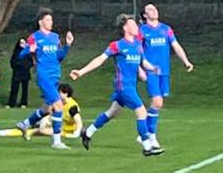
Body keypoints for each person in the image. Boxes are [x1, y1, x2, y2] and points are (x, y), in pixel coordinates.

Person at [70, 14, 164, 156]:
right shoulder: (117, 45)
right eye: (133, 24)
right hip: (123, 86)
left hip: (131, 85)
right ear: (125, 28)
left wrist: (153, 68)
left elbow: (143, 62)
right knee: (141, 111)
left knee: (112, 113)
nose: (136, 27)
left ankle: (87, 133)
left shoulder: (138, 45)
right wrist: (81, 72)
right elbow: (100, 59)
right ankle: (147, 147)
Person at [16, 9, 74, 149]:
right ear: (40, 22)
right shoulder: (34, 37)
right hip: (44, 75)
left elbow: (59, 57)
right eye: (48, 20)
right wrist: (29, 50)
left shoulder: (55, 37)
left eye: (51, 20)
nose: (51, 22)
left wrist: (67, 45)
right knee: (58, 106)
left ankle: (25, 124)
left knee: (48, 108)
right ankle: (56, 142)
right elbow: (21, 55)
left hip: (55, 74)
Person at [138, 3, 194, 149]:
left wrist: (186, 61)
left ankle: (144, 132)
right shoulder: (142, 31)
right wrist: (140, 69)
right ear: (145, 15)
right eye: (150, 9)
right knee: (157, 102)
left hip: (164, 71)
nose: (154, 11)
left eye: (155, 8)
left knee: (158, 104)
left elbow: (176, 45)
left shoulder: (166, 29)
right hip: (151, 71)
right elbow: (137, 50)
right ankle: (151, 136)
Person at [0, 83, 82, 139]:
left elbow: (78, 120)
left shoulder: (71, 106)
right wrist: (45, 120)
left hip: (68, 130)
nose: (57, 94)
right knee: (40, 129)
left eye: (59, 92)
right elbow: (50, 112)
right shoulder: (58, 103)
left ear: (66, 94)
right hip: (62, 128)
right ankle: (23, 131)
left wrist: (76, 132)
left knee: (40, 130)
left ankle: (15, 132)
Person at [8, 36, 34, 108]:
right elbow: (12, 62)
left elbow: (31, 62)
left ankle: (23, 103)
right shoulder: (16, 52)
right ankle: (11, 103)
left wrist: (26, 66)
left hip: (25, 72)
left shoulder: (28, 53)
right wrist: (16, 65)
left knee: (25, 89)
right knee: (14, 88)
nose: (23, 44)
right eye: (21, 43)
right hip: (16, 73)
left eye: (24, 43)